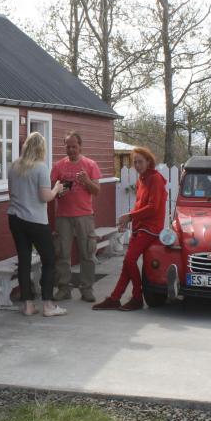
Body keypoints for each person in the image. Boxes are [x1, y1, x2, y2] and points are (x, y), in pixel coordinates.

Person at [93, 146, 167, 311]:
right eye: (135, 162)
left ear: (149, 162)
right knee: (128, 264)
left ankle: (137, 297)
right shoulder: (141, 179)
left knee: (129, 260)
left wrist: (130, 217)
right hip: (140, 227)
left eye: (140, 161)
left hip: (151, 229)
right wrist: (129, 220)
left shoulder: (156, 179)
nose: (137, 165)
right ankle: (115, 298)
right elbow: (139, 205)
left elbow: (153, 208)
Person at [8, 132, 67, 317]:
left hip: (15, 218)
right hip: (35, 220)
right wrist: (56, 188)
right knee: (49, 259)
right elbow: (45, 197)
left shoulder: (14, 166)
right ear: (42, 148)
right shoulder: (41, 168)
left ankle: (28, 305)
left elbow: (11, 193)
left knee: (24, 260)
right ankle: (48, 305)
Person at [50, 131, 102, 302]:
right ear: (64, 146)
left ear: (80, 146)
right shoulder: (58, 166)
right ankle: (64, 288)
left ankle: (87, 289)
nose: (71, 149)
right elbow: (52, 193)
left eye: (74, 146)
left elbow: (96, 191)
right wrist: (60, 192)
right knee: (62, 254)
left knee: (87, 253)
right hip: (63, 216)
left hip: (85, 216)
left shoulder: (90, 164)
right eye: (68, 146)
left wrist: (86, 181)